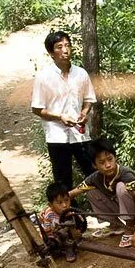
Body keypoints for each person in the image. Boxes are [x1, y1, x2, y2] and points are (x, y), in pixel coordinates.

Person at [30, 31, 96, 189]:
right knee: (62, 180)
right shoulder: (44, 77)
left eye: (67, 45)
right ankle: (69, 213)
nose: (65, 50)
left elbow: (89, 99)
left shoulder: (80, 74)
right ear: (51, 53)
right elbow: (37, 108)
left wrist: (84, 113)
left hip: (80, 134)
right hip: (56, 136)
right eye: (59, 47)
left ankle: (99, 209)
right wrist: (60, 117)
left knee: (93, 174)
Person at [68, 138, 135, 248]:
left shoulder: (125, 174)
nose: (108, 165)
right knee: (91, 192)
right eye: (102, 162)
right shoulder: (96, 177)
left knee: (121, 187)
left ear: (116, 158)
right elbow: (72, 193)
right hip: (128, 211)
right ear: (94, 165)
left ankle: (129, 228)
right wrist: (55, 205)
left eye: (110, 159)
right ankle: (115, 225)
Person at [38, 181, 87, 262]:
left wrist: (78, 231)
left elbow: (81, 226)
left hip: (68, 237)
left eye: (67, 200)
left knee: (70, 237)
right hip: (53, 236)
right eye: (60, 202)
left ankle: (69, 250)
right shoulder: (48, 215)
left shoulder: (71, 213)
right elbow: (46, 230)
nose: (64, 205)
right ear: (51, 205)